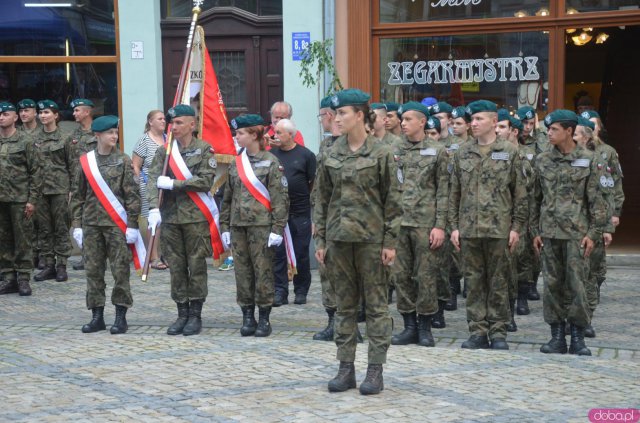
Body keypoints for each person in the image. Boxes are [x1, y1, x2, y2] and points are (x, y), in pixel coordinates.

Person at [315, 89, 401, 395]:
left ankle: (375, 370)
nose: (337, 119)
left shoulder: (381, 153)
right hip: (339, 241)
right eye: (335, 114)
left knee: (377, 307)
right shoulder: (330, 152)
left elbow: (393, 199)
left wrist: (390, 242)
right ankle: (345, 368)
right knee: (345, 307)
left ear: (360, 116)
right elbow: (322, 199)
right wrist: (322, 240)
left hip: (371, 242)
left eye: (342, 113)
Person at [449, 100, 527, 350]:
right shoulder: (462, 152)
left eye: (479, 119)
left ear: (494, 122)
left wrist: (516, 228)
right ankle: (478, 331)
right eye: (472, 119)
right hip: (470, 229)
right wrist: (454, 226)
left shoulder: (510, 152)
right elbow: (454, 193)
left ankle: (499, 331)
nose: (473, 123)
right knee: (472, 282)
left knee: (499, 282)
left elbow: (520, 194)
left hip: (499, 229)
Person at [531, 110, 607, 356]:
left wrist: (593, 234)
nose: (548, 133)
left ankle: (577, 337)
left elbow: (597, 202)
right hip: (549, 234)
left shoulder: (588, 159)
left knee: (577, 286)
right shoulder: (542, 160)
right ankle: (556, 337)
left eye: (553, 129)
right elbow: (535, 199)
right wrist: (535, 231)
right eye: (548, 129)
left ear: (568, 131)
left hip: (577, 235)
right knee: (552, 286)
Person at [147, 104, 217, 336]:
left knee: (196, 265)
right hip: (170, 218)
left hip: (195, 218)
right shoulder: (164, 152)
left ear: (192, 124)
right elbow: (152, 181)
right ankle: (181, 313)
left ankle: (195, 314)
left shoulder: (204, 149)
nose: (174, 127)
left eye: (179, 123)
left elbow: (206, 181)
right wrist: (152, 208)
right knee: (176, 267)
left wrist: (175, 184)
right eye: (172, 123)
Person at [220, 114, 289, 338]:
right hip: (239, 227)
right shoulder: (236, 163)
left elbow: (280, 199)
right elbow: (227, 198)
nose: (236, 137)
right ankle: (247, 315)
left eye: (240, 133)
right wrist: (225, 227)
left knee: (263, 272)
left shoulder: (271, 162)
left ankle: (265, 317)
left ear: (254, 134)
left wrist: (278, 229)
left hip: (262, 227)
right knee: (242, 273)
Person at [70, 115, 140, 334]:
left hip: (116, 226)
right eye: (109, 133)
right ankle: (97, 316)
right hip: (91, 225)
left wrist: (133, 225)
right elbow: (78, 195)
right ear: (97, 135)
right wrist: (77, 224)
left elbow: (132, 196)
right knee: (93, 271)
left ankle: (120, 316)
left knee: (120, 271)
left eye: (116, 132)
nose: (114, 136)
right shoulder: (85, 162)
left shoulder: (123, 160)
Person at [390, 101, 449, 347]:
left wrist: (440, 225)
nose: (403, 124)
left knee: (425, 275)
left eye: (408, 120)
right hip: (398, 223)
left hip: (426, 223)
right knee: (401, 275)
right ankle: (409, 326)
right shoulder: (393, 149)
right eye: (402, 120)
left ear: (422, 122)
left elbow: (444, 190)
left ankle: (425, 325)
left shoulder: (438, 151)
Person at [573, 116, 624, 338]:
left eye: (592, 125)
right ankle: (572, 317)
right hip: (572, 223)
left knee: (595, 273)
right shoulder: (566, 154)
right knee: (573, 274)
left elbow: (614, 186)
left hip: (598, 220)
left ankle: (586, 316)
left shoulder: (607, 153)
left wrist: (613, 215)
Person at [270, 119, 316, 306]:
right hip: (278, 213)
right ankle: (280, 291)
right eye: (275, 132)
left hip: (300, 212)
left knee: (301, 252)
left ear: (291, 134)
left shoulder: (306, 155)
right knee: (278, 253)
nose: (275, 136)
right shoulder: (272, 155)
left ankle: (301, 290)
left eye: (280, 133)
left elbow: (312, 182)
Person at [496, 110, 533, 333]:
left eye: (502, 127)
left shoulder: (523, 157)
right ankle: (501, 314)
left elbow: (528, 193)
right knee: (502, 271)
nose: (498, 131)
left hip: (518, 221)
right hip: (496, 222)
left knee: (518, 266)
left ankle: (516, 304)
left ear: (513, 131)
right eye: (497, 126)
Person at [0, 102, 41, 296]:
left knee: (23, 239)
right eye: (0, 114)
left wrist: (32, 199)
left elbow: (36, 171)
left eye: (5, 114)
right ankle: (8, 277)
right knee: (3, 239)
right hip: (1, 200)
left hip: (20, 198)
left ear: (15, 117)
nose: (1, 117)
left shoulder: (25, 141)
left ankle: (23, 277)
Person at [32, 100, 74, 283]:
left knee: (61, 228)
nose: (43, 116)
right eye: (41, 113)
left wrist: (72, 190)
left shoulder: (65, 138)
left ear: (56, 115)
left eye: (47, 112)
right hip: (40, 190)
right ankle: (48, 263)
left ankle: (62, 265)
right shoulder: (33, 139)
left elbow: (73, 166)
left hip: (60, 189)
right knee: (44, 229)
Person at [312, 95, 341, 342]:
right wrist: (316, 218)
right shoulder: (326, 146)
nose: (321, 121)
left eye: (321, 116)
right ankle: (332, 321)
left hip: (353, 220)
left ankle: (349, 323)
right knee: (326, 270)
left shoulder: (363, 146)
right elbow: (319, 187)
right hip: (327, 219)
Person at [515, 105, 547, 301]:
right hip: (519, 200)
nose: (527, 127)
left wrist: (539, 128)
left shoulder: (539, 141)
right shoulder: (513, 143)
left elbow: (545, 155)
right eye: (524, 123)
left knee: (534, 247)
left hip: (535, 199)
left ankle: (532, 282)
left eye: (530, 123)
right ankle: (519, 287)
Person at [132, 110, 167, 270]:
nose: (163, 121)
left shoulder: (168, 139)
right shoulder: (144, 141)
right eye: (159, 118)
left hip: (167, 185)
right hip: (149, 186)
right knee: (153, 221)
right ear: (150, 122)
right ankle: (153, 257)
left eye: (164, 118)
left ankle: (165, 254)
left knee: (167, 220)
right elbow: (136, 166)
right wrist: (141, 186)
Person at [68, 98, 96, 271]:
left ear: (87, 112)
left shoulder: (100, 132)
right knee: (83, 220)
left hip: (97, 185)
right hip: (79, 186)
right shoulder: (73, 137)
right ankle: (87, 256)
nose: (74, 114)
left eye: (77, 110)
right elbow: (69, 163)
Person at [17, 99, 43, 269]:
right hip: (21, 187)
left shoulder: (45, 132)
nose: (24, 114)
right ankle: (31, 255)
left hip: (46, 184)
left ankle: (42, 254)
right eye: (21, 111)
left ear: (35, 113)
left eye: (27, 110)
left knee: (43, 224)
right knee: (26, 223)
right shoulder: (15, 134)